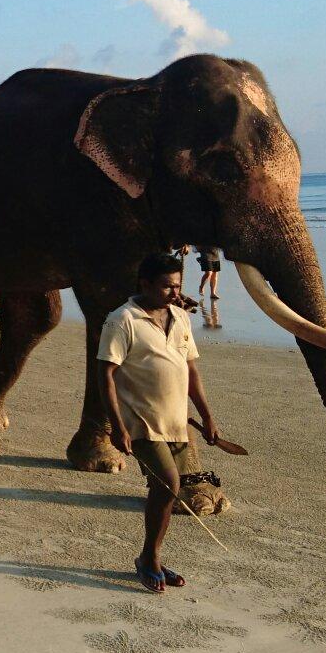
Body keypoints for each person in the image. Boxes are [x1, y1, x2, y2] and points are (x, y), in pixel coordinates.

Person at [98, 251, 223, 594]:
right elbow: (105, 375)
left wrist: (207, 416)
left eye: (178, 286)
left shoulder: (180, 317)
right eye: (167, 286)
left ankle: (150, 556)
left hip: (176, 422)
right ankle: (150, 559)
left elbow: (191, 370)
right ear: (145, 283)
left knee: (165, 491)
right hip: (140, 422)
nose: (174, 293)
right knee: (168, 483)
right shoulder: (121, 320)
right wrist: (117, 426)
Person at [196, 246, 223, 328]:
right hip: (206, 254)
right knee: (208, 273)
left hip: (215, 253)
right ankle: (201, 287)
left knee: (215, 274)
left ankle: (213, 293)